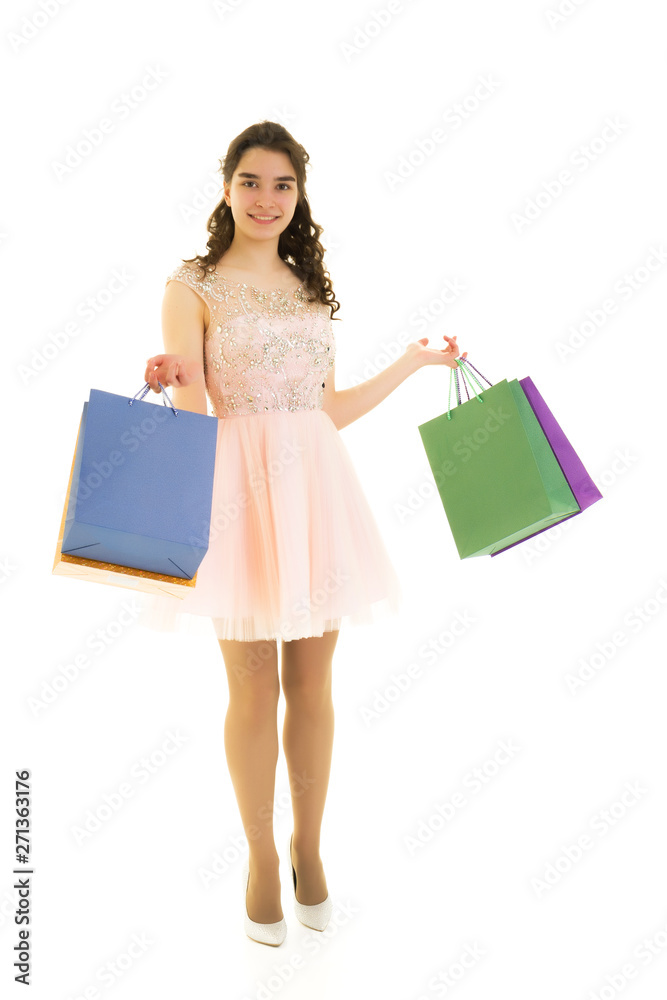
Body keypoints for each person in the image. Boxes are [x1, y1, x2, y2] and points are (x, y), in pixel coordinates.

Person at [142, 121, 466, 947]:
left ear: (299, 195)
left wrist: (410, 363)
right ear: (226, 188)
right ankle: (258, 857)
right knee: (250, 687)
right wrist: (174, 375)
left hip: (316, 491)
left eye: (281, 185)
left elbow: (326, 410)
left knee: (313, 686)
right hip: (235, 495)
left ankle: (307, 848)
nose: (266, 199)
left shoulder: (309, 285)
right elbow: (193, 410)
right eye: (251, 182)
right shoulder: (192, 284)